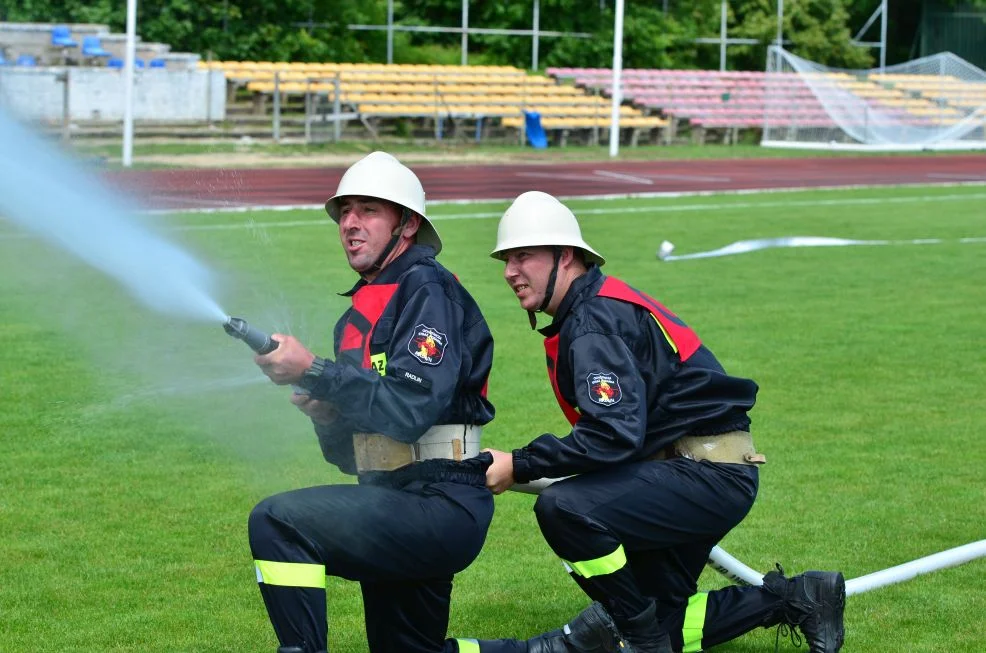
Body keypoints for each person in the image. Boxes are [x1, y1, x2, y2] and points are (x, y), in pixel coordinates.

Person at [448, 191, 844, 653]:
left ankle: (643, 639)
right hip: (700, 470)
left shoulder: (592, 320)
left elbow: (612, 434)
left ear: (567, 257)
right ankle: (798, 597)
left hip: (702, 474)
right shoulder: (595, 307)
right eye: (506, 259)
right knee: (663, 617)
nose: (510, 271)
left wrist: (519, 462)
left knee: (565, 509)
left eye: (523, 256)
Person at [247, 151, 496, 653]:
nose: (350, 224)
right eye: (345, 212)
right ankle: (562, 646)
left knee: (276, 521)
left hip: (441, 503)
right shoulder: (358, 315)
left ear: (407, 225)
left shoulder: (426, 288)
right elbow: (350, 455)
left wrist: (316, 371)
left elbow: (409, 411)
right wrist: (328, 415)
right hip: (394, 497)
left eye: (368, 210)